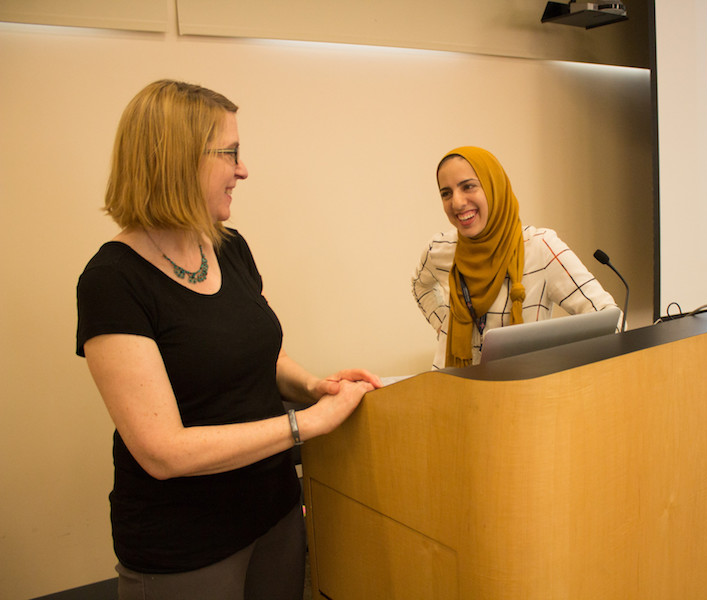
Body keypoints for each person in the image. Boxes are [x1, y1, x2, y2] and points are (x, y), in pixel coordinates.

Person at [76, 79, 381, 600]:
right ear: (178, 158)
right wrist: (306, 424)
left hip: (274, 514)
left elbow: (257, 352)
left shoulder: (229, 247)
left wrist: (312, 385)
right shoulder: (112, 280)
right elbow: (162, 451)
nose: (243, 170)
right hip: (184, 546)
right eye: (231, 153)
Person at [412, 146, 619, 369]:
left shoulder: (540, 247)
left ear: (494, 187)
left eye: (468, 186)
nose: (457, 202)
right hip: (453, 390)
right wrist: (446, 327)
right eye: (446, 193)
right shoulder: (440, 249)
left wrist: (560, 364)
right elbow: (419, 286)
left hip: (519, 394)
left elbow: (610, 320)